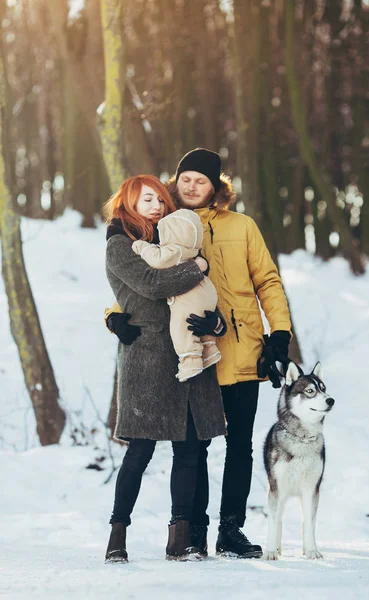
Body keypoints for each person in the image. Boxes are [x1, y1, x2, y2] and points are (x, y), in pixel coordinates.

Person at [105, 149, 292, 559]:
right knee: (195, 447)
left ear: (216, 187)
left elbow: (268, 280)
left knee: (239, 446)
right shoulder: (161, 227)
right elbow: (139, 283)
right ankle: (195, 532)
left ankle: (231, 530)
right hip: (192, 358)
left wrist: (279, 334)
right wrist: (113, 315)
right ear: (176, 182)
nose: (192, 186)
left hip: (240, 350)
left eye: (201, 180)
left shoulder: (241, 226)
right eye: (185, 178)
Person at [104, 174, 226, 563]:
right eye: (146, 200)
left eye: (160, 199)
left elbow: (202, 299)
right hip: (147, 358)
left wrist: (216, 325)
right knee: (139, 452)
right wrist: (199, 264)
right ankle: (117, 534)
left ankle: (181, 538)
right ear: (128, 204)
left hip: (187, 354)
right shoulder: (119, 244)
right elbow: (152, 283)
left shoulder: (173, 239)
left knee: (189, 450)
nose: (156, 206)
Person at [131, 208, 222, 382]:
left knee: (182, 328)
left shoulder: (176, 250)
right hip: (207, 292)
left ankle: (191, 362)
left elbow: (157, 259)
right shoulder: (192, 250)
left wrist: (142, 247)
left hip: (189, 297)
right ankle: (210, 349)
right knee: (201, 328)